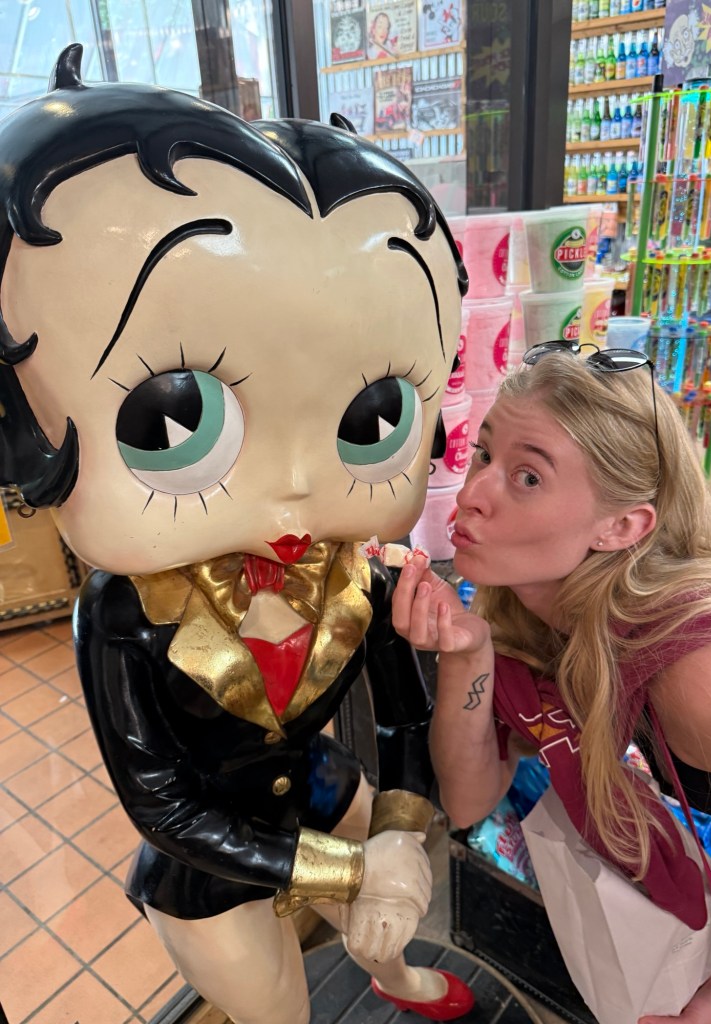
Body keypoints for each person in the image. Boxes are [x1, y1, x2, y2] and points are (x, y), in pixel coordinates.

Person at [0, 44, 474, 1024]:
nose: (297, 488)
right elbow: (162, 804)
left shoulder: (364, 575)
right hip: (209, 856)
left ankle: (386, 965)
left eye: (374, 412)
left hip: (323, 792)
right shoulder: (122, 617)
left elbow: (398, 717)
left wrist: (399, 827)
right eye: (175, 417)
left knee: (390, 911)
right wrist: (354, 862)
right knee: (275, 1008)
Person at [392, 344, 711, 1023]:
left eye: (527, 477)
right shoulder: (518, 611)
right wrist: (465, 655)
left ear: (622, 526)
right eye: (482, 455)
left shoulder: (703, 669)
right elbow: (472, 797)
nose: (473, 493)